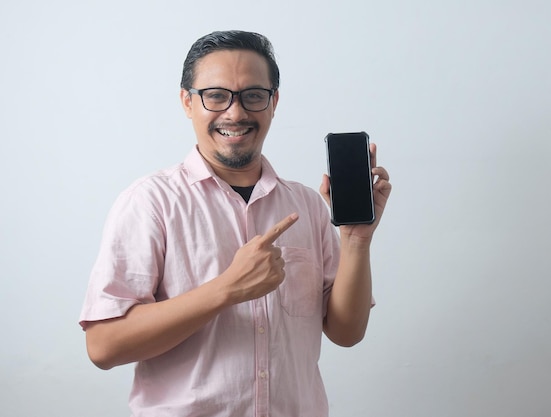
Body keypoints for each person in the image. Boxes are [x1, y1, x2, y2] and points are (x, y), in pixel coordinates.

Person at [79, 30, 392, 417]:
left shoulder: (307, 205)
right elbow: (104, 346)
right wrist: (226, 289)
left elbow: (346, 333)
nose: (235, 112)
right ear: (187, 101)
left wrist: (357, 242)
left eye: (253, 95)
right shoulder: (149, 202)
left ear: (273, 102)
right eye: (216, 95)